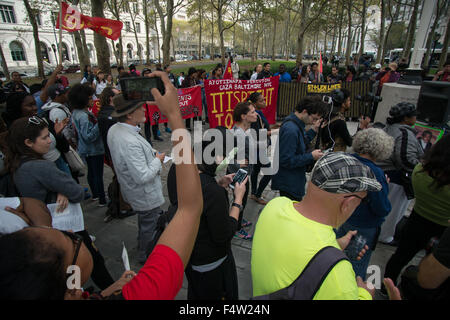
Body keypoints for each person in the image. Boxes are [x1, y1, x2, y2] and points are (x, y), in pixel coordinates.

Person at [0, 71, 204, 299]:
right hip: (144, 194)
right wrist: (176, 117)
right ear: (69, 280)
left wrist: (106, 290)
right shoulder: (144, 294)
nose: (69, 230)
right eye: (70, 239)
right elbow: (189, 208)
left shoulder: (117, 130)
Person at [252, 152, 401, 300]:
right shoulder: (338, 276)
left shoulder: (276, 204)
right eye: (362, 200)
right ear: (347, 203)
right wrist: (365, 294)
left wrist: (333, 249)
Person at [4, 117, 114, 291]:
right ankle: (111, 291)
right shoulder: (41, 167)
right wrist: (63, 189)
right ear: (28, 143)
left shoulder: (17, 163)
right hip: (63, 225)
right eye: (45, 137)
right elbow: (78, 192)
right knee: (89, 260)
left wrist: (59, 189)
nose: (50, 141)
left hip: (41, 227)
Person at [167, 126, 246, 300]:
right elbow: (223, 234)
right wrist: (237, 201)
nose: (225, 163)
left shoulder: (177, 168)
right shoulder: (212, 193)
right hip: (211, 262)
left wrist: (218, 183)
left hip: (189, 253)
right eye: (226, 157)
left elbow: (193, 200)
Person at [383, 134, 450, 291]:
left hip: (417, 220)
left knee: (400, 257)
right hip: (442, 230)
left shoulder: (419, 171)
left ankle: (387, 287)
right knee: (432, 262)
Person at [107, 94, 166, 264]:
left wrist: (150, 154)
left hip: (133, 190)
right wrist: (158, 160)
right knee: (150, 224)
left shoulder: (116, 129)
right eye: (139, 107)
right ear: (129, 115)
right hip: (144, 194)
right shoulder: (128, 140)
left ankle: (144, 247)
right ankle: (147, 256)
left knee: (145, 222)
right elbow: (143, 176)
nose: (144, 109)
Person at [335, 128, 394, 279]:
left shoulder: (344, 159)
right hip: (362, 225)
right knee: (356, 263)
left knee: (334, 251)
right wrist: (383, 188)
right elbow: (381, 208)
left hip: (340, 216)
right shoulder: (375, 172)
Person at [377, 102, 423, 246]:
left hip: (386, 174)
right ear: (406, 118)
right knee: (393, 210)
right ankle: (385, 236)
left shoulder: (389, 128)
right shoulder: (404, 133)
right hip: (396, 178)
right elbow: (405, 158)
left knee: (385, 207)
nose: (416, 118)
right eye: (414, 115)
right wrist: (420, 168)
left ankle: (381, 232)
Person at [271, 95, 327, 201]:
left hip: (293, 179)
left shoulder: (296, 124)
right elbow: (286, 160)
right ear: (305, 111)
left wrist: (313, 130)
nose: (314, 121)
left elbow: (300, 142)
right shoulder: (291, 129)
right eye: (313, 118)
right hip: (289, 182)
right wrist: (311, 156)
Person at [70, 84, 107, 207]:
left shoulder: (76, 113)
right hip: (94, 149)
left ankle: (96, 194)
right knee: (97, 174)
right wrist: (99, 123)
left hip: (85, 149)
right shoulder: (84, 116)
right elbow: (88, 136)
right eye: (90, 98)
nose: (93, 100)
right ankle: (102, 198)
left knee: (91, 173)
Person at [227, 102, 259, 240]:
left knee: (243, 200)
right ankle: (236, 228)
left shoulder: (247, 131)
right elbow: (222, 158)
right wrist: (236, 163)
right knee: (240, 200)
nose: (256, 114)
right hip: (239, 175)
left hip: (246, 173)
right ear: (243, 116)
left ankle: (239, 218)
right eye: (252, 112)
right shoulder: (235, 134)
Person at [247, 92, 272, 205]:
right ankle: (257, 194)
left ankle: (253, 193)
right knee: (269, 172)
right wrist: (274, 132)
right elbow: (257, 133)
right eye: (261, 100)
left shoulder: (259, 113)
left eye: (264, 99)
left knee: (256, 170)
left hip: (258, 148)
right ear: (255, 104)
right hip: (257, 148)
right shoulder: (255, 115)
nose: (264, 102)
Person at [142, 69, 163, 143]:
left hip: (154, 104)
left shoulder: (155, 81)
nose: (147, 74)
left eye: (149, 73)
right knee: (147, 123)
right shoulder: (141, 83)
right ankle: (148, 138)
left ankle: (156, 135)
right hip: (147, 105)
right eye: (145, 73)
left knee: (155, 120)